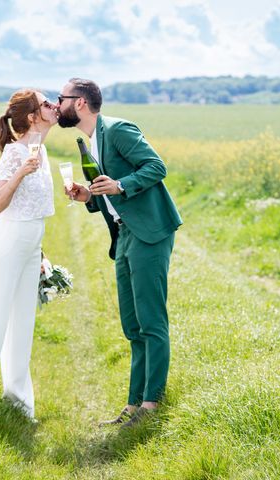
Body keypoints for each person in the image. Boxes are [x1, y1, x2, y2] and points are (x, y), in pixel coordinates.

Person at [57, 78, 182, 428]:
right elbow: (106, 191)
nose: (58, 103)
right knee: (132, 324)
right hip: (124, 236)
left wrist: (121, 185)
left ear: (79, 103)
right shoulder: (92, 141)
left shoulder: (118, 129)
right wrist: (91, 196)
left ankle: (151, 405)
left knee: (151, 321)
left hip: (149, 233)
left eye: (61, 97)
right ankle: (133, 404)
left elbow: (157, 167)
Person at [0, 89, 57, 419]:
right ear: (33, 117)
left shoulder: (42, 154)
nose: (55, 106)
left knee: (23, 322)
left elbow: (33, 210)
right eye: (47, 104)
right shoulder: (15, 154)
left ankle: (19, 402)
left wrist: (40, 252)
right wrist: (21, 172)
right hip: (7, 244)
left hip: (30, 245)